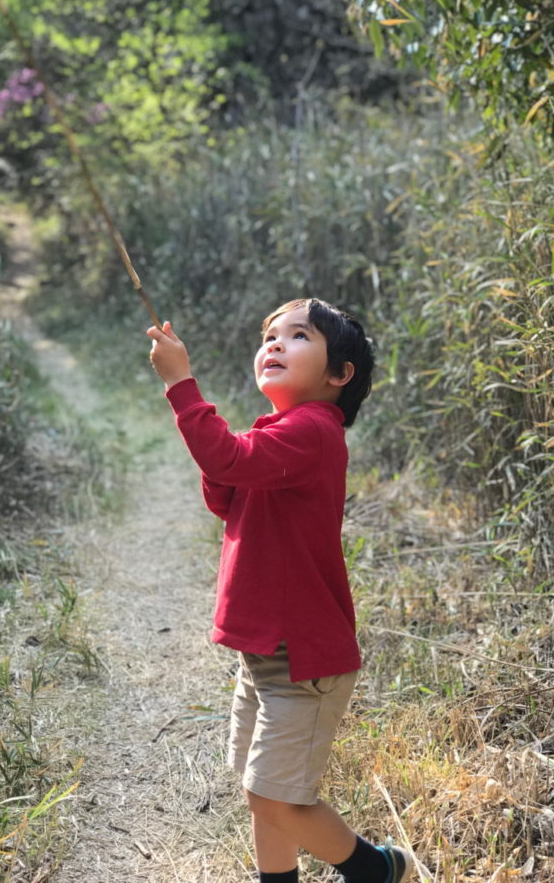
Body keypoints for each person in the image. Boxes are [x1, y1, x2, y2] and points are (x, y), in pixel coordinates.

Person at [147, 298, 410, 883]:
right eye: (269, 335)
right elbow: (228, 490)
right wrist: (220, 454)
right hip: (265, 658)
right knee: (262, 791)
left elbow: (229, 458)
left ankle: (377, 870)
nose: (274, 344)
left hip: (302, 661)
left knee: (276, 799)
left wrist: (183, 387)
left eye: (297, 336)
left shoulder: (315, 431)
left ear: (338, 374)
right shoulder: (284, 432)